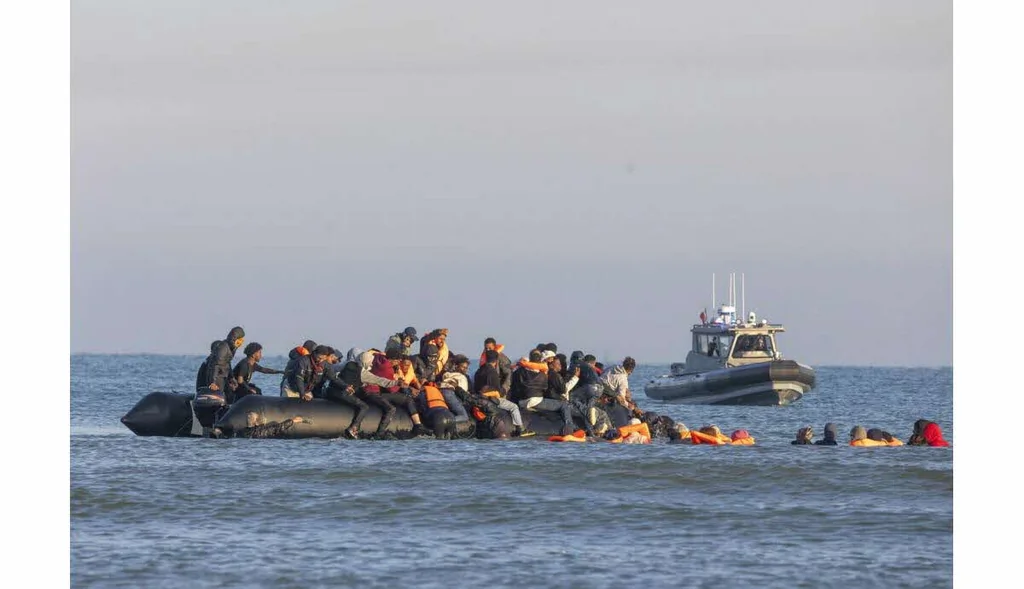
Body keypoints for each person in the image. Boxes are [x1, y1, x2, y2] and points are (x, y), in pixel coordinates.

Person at [359, 348, 431, 438]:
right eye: (397, 361)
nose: (398, 363)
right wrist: (399, 382)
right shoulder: (387, 368)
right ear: (392, 360)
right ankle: (417, 425)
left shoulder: (378, 358)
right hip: (375, 392)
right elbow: (392, 389)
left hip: (367, 389)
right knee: (406, 399)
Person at [474, 349, 534, 437]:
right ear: (496, 361)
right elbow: (497, 391)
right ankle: (520, 429)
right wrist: (505, 390)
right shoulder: (493, 372)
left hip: (479, 398)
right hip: (491, 400)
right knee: (514, 407)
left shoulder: (478, 371)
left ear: (486, 359)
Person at [513, 350, 573, 435]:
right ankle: (569, 428)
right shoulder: (543, 374)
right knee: (564, 405)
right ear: (540, 360)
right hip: (535, 401)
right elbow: (545, 389)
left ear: (530, 359)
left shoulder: (519, 371)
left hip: (521, 402)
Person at [318, 348, 371, 439]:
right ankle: (353, 428)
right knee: (364, 406)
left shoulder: (344, 365)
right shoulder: (357, 367)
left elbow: (332, 371)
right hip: (343, 392)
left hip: (332, 391)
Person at [196, 326, 246, 399]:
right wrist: (212, 382)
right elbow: (215, 366)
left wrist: (231, 378)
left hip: (222, 378)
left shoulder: (228, 350)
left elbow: (228, 365)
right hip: (216, 381)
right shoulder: (222, 350)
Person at [437, 355, 472, 423]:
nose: (465, 369)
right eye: (463, 367)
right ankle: (447, 422)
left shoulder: (447, 374)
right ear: (456, 366)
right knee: (464, 416)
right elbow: (462, 393)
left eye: (466, 368)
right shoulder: (462, 377)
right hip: (449, 393)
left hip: (439, 392)